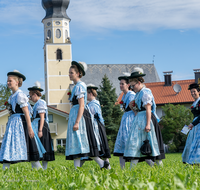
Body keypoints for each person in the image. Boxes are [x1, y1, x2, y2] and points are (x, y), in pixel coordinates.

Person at [65, 61, 109, 169]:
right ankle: (77, 169)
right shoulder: (76, 86)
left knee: (84, 143)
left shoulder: (80, 86)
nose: (69, 74)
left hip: (80, 116)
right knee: (77, 143)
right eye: (69, 72)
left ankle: (102, 163)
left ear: (78, 73)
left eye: (71, 73)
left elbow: (81, 105)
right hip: (75, 114)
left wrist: (77, 122)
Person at [0, 70, 46, 170]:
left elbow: (26, 111)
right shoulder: (12, 96)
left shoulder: (20, 95)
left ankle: (40, 169)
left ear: (17, 82)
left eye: (10, 81)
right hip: (13, 123)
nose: (8, 83)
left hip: (21, 123)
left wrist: (30, 128)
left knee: (30, 147)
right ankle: (5, 170)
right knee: (9, 145)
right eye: (7, 81)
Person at [123, 67, 165, 170]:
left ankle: (161, 169)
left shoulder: (146, 92)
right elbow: (138, 111)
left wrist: (147, 124)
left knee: (152, 146)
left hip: (148, 119)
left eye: (133, 86)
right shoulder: (138, 94)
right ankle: (131, 170)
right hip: (139, 120)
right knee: (136, 144)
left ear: (138, 82)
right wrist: (133, 108)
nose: (132, 88)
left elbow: (148, 108)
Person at [80, 84, 111, 168]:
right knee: (100, 149)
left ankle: (105, 165)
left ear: (90, 93)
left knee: (93, 147)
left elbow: (92, 117)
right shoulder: (93, 103)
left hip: (95, 128)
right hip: (97, 127)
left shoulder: (93, 104)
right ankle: (107, 167)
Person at [28, 82, 55, 169]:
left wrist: (40, 130)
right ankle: (38, 167)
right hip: (37, 125)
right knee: (39, 145)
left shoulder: (40, 102)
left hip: (41, 125)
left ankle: (44, 168)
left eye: (31, 96)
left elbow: (42, 117)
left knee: (43, 145)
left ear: (35, 94)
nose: (30, 98)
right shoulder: (36, 104)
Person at [113, 74, 136, 169]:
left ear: (128, 85)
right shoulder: (123, 96)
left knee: (129, 142)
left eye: (123, 84)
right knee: (121, 143)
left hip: (130, 119)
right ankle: (122, 168)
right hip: (125, 119)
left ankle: (132, 166)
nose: (121, 85)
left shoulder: (131, 95)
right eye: (120, 84)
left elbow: (134, 109)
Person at [182, 83, 200, 164]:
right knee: (190, 142)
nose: (192, 93)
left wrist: (193, 124)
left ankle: (196, 161)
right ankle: (189, 160)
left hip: (198, 124)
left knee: (197, 143)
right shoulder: (195, 102)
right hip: (195, 124)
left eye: (194, 91)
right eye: (191, 92)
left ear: (199, 92)